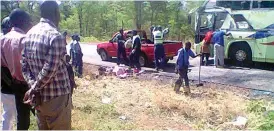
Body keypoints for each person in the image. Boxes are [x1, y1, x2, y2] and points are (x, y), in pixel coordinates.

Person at [21, 1, 72, 130]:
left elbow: (24, 66)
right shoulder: (55, 36)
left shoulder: (29, 34)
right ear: (56, 13)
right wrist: (34, 88)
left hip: (38, 99)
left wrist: (33, 87)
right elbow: (49, 69)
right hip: (56, 98)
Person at [1, 9, 33, 130]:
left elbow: (1, 68)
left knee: (16, 117)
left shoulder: (2, 40)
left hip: (12, 84)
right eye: (28, 22)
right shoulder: (25, 39)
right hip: (27, 84)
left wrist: (11, 83)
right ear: (22, 22)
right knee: (26, 119)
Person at [1, 16, 16, 130]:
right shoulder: (13, 41)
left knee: (7, 114)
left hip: (3, 86)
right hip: (15, 85)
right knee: (20, 116)